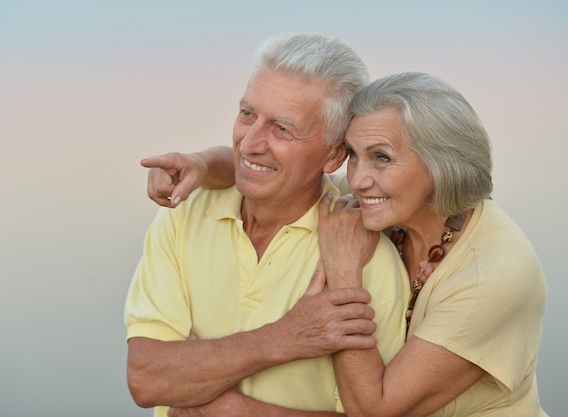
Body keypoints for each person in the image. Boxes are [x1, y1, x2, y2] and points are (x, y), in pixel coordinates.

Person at [159, 72, 548, 416]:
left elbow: (374, 408)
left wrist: (345, 275)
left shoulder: (495, 275)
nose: (359, 179)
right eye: (353, 156)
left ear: (441, 165)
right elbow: (281, 169)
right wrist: (201, 165)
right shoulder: (377, 203)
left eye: (381, 157)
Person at [125, 33, 410, 417]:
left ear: (334, 155)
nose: (249, 143)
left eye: (282, 128)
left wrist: (221, 399)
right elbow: (146, 379)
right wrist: (284, 338)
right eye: (247, 114)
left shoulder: (366, 262)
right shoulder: (183, 215)